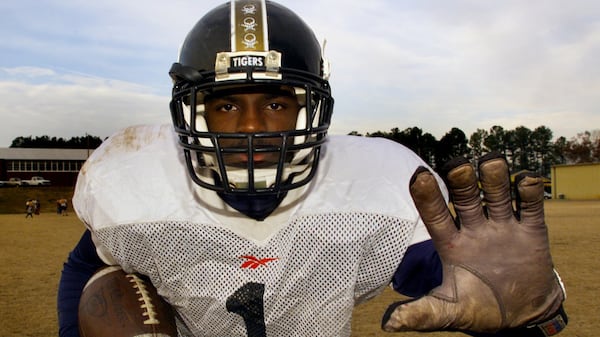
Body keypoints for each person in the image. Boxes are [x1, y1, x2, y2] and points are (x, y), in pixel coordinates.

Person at [57, 1, 567, 336]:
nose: (254, 127)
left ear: (309, 108)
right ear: (193, 111)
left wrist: (527, 315)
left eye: (277, 104)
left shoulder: (375, 188)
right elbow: (87, 264)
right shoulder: (135, 188)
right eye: (227, 105)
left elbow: (479, 283)